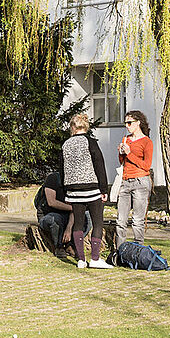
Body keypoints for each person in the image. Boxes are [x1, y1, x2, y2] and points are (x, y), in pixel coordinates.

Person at [61, 114, 112, 268]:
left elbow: (62, 169)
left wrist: (66, 191)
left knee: (78, 223)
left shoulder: (66, 144)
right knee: (97, 223)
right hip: (91, 188)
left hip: (74, 190)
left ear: (72, 127)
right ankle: (95, 258)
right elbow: (99, 165)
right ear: (86, 126)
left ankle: (81, 259)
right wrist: (104, 188)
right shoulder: (91, 142)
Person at [115, 110, 154, 248]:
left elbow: (146, 166)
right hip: (126, 181)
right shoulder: (126, 139)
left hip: (140, 181)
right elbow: (122, 161)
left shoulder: (146, 142)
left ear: (138, 123)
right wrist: (121, 152)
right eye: (125, 123)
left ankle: (138, 250)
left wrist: (129, 153)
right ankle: (120, 250)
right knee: (121, 220)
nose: (127, 126)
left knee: (137, 220)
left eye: (129, 123)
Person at [34, 169, 91, 257]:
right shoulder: (53, 178)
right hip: (48, 215)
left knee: (87, 217)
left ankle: (71, 244)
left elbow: (77, 206)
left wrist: (69, 227)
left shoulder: (76, 182)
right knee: (55, 219)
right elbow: (51, 202)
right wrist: (73, 208)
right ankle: (58, 246)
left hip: (69, 215)